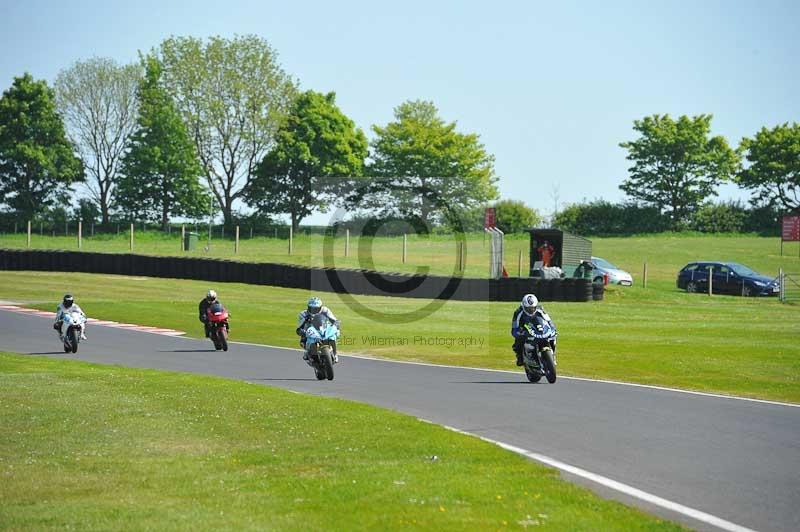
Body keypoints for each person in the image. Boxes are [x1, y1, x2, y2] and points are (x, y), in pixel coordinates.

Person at [510, 293, 555, 366]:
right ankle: (520, 357)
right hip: (524, 328)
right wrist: (520, 333)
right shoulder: (518, 312)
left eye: (533, 308)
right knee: (518, 342)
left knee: (553, 337)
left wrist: (553, 328)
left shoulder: (540, 309)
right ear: (524, 306)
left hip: (537, 327)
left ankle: (553, 356)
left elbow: (549, 320)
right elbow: (514, 328)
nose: (531, 310)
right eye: (528, 308)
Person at [296, 296, 340, 363]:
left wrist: (336, 324)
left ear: (320, 307)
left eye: (316, 309)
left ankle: (335, 353)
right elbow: (300, 327)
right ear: (308, 307)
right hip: (310, 330)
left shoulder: (325, 310)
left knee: (333, 334)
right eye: (311, 309)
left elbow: (334, 320)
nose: (314, 311)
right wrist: (301, 331)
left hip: (323, 327)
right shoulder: (303, 314)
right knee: (303, 340)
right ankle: (307, 351)